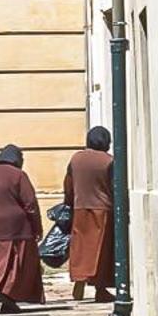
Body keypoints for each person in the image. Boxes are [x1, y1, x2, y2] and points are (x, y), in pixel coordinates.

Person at [0, 144, 45, 315]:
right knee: (16, 265)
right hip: (17, 229)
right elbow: (30, 204)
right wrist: (37, 227)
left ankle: (2, 295)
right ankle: (9, 297)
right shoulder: (19, 176)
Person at [64, 125, 114, 303]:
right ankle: (101, 288)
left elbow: (68, 184)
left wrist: (69, 202)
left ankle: (79, 278)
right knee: (101, 250)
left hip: (80, 209)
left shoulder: (76, 159)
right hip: (103, 210)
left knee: (80, 247)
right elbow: (115, 186)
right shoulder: (108, 161)